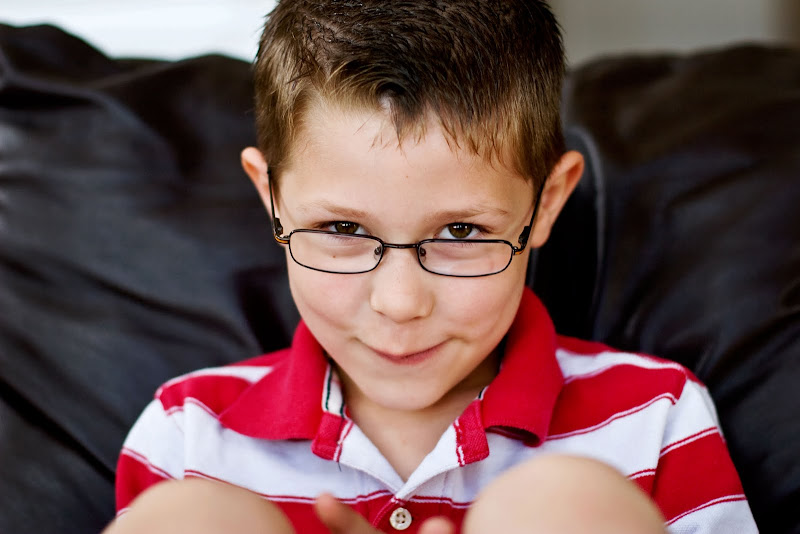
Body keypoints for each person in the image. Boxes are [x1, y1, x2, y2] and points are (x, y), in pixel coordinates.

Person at [107, 1, 758, 532]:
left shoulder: (656, 419)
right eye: (342, 230)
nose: (399, 303)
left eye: (460, 232)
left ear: (546, 204)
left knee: (567, 506)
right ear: (272, 199)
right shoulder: (189, 434)